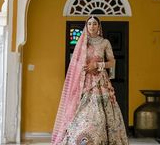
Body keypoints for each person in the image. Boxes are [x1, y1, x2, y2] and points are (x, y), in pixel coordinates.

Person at [52, 16, 128, 145]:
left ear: (99, 26)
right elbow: (74, 64)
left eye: (94, 24)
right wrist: (84, 67)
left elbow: (112, 62)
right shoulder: (82, 43)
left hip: (100, 82)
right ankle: (80, 139)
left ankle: (101, 140)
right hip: (84, 82)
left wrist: (98, 65)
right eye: (89, 24)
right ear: (86, 26)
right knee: (81, 112)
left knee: (101, 114)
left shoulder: (105, 42)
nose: (92, 26)